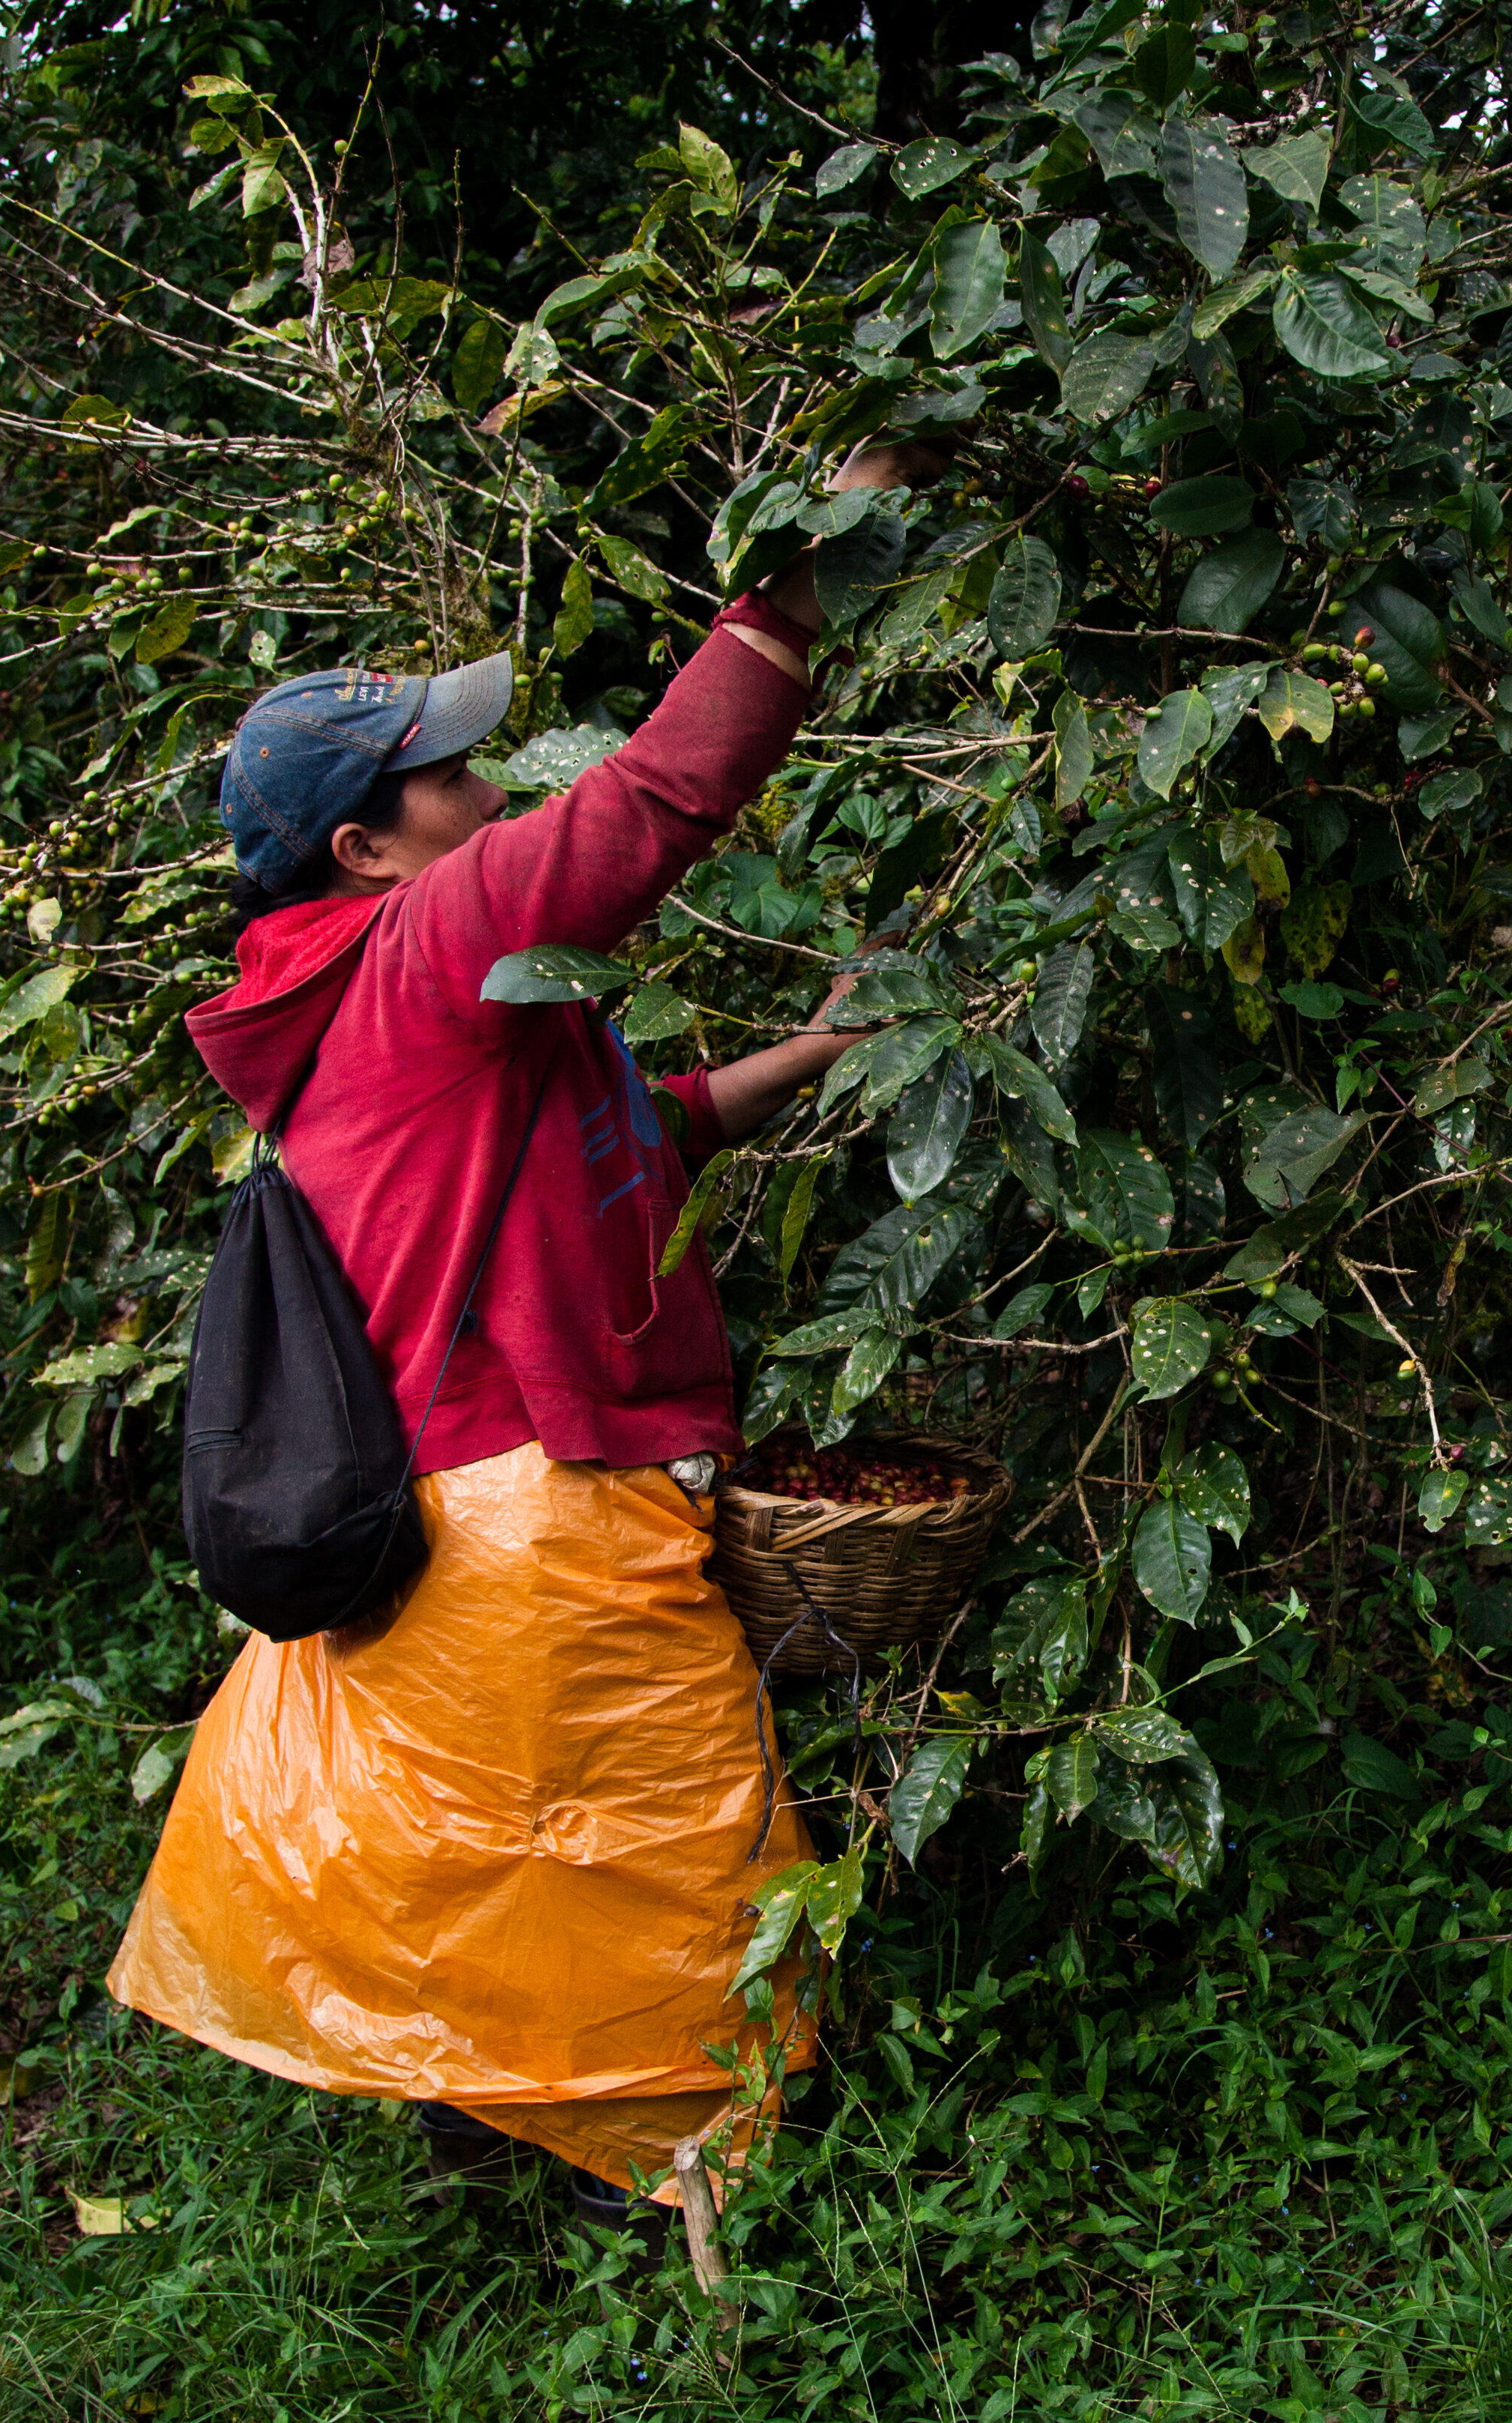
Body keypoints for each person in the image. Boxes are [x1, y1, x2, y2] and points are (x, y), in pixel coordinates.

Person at [109, 439, 944, 2257]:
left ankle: (526, 2186)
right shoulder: (423, 951)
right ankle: (716, 2245)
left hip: (459, 1507)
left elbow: (602, 1145)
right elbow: (653, 799)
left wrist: (798, 1057)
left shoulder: (377, 1013)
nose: (488, 789)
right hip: (537, 1517)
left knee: (501, 1869)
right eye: (449, 776)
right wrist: (802, 583)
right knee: (665, 1876)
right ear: (365, 847)